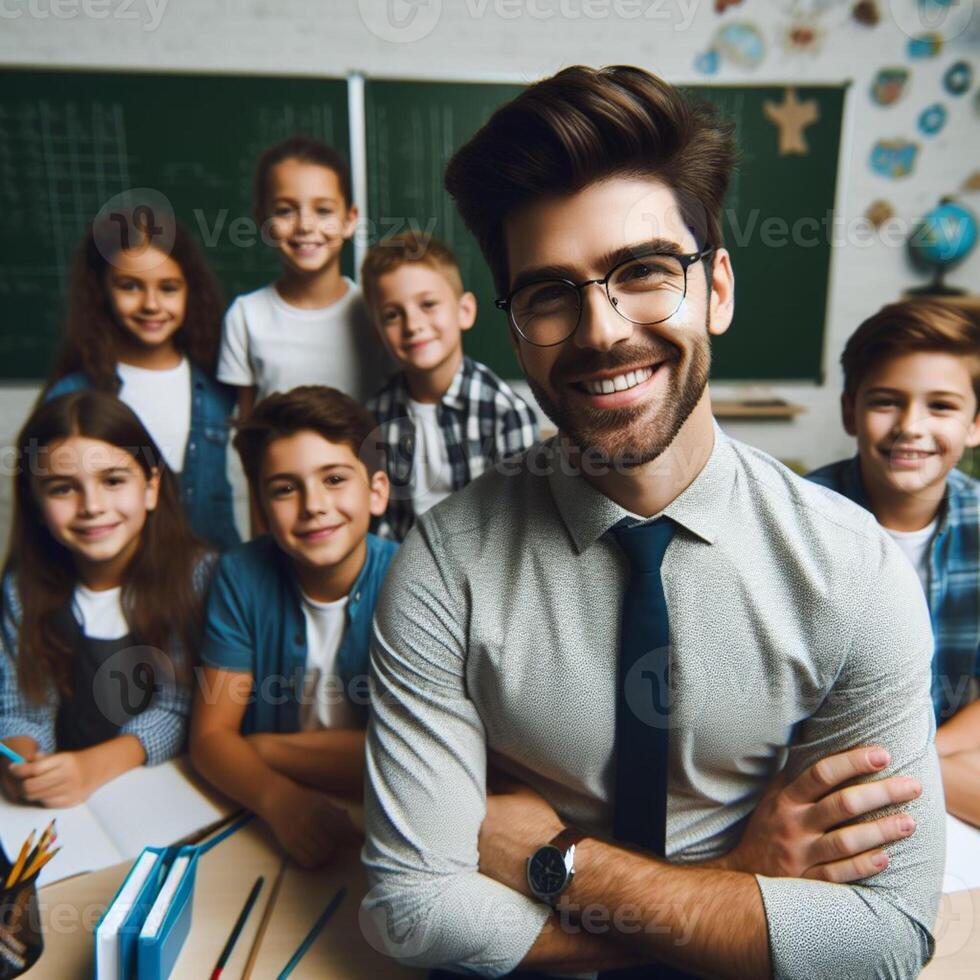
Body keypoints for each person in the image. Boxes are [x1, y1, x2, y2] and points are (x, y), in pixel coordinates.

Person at [361, 65, 944, 979]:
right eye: (550, 292)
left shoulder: (853, 573)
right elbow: (414, 911)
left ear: (716, 288)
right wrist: (733, 895)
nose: (600, 331)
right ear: (515, 331)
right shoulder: (443, 567)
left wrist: (563, 864)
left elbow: (883, 939)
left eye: (641, 272)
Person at [189, 386, 397, 868]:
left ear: (377, 491)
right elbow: (209, 739)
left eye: (334, 479)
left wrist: (262, 748)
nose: (313, 505)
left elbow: (400, 755)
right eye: (285, 488)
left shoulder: (412, 579)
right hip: (264, 807)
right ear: (262, 509)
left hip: (384, 817)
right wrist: (280, 802)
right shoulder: (241, 574)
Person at [808, 300, 980, 827]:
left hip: (939, 754)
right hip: (824, 769)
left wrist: (923, 759)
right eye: (886, 402)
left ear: (976, 424)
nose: (911, 426)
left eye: (942, 407)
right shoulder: (800, 522)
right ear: (849, 411)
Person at [0, 391, 210, 806]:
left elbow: (181, 707)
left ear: (151, 488)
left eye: (113, 481)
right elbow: (23, 703)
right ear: (36, 505)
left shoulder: (198, 577)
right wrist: (22, 762)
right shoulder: (22, 588)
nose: (92, 507)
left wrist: (91, 768)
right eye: (62, 489)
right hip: (72, 806)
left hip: (170, 795)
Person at [45, 207, 239, 551]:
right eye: (130, 286)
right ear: (101, 291)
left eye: (168, 288)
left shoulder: (217, 386)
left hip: (212, 580)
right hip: (121, 582)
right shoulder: (73, 395)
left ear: (189, 292)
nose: (151, 304)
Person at [361, 231, 538, 541]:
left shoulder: (504, 413)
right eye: (392, 315)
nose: (412, 324)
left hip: (480, 571)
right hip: (401, 568)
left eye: (428, 304)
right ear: (377, 334)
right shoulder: (376, 415)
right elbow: (381, 525)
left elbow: (515, 527)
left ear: (464, 311)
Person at [216, 136, 389, 415]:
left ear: (349, 220)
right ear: (262, 220)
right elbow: (243, 427)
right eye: (285, 211)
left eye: (323, 211)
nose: (305, 226)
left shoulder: (377, 312)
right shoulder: (246, 316)